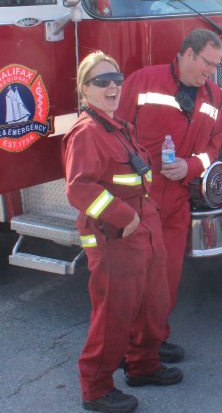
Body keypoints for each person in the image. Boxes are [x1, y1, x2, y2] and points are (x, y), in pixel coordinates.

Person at [63, 52, 182, 413]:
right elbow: (79, 189)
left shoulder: (119, 126)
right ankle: (96, 388)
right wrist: (121, 216)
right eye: (102, 81)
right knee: (115, 312)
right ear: (86, 90)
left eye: (116, 78)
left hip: (143, 227)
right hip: (114, 235)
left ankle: (143, 365)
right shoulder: (86, 133)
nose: (112, 86)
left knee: (152, 302)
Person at [116, 29, 222, 364]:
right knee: (132, 276)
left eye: (217, 65)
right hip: (138, 199)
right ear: (188, 54)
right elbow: (112, 130)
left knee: (166, 276)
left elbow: (213, 148)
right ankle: (122, 346)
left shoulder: (215, 97)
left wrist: (191, 166)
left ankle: (152, 341)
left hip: (177, 200)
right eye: (208, 62)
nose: (212, 71)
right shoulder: (143, 82)